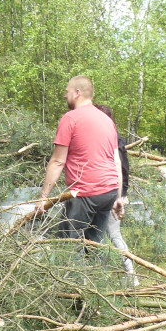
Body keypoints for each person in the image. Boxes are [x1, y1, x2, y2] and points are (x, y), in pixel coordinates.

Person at [38, 75, 123, 245]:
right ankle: (98, 272)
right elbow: (116, 161)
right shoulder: (107, 120)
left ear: (77, 93)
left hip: (85, 193)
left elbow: (58, 162)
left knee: (68, 247)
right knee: (95, 244)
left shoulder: (70, 118)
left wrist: (43, 197)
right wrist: (118, 197)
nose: (65, 95)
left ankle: (74, 272)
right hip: (108, 192)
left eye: (67, 91)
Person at [94, 103, 138, 285]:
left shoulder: (115, 140)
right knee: (98, 236)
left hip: (111, 194)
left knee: (113, 234)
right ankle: (101, 275)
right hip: (99, 192)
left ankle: (131, 275)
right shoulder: (100, 139)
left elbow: (123, 168)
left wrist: (122, 194)